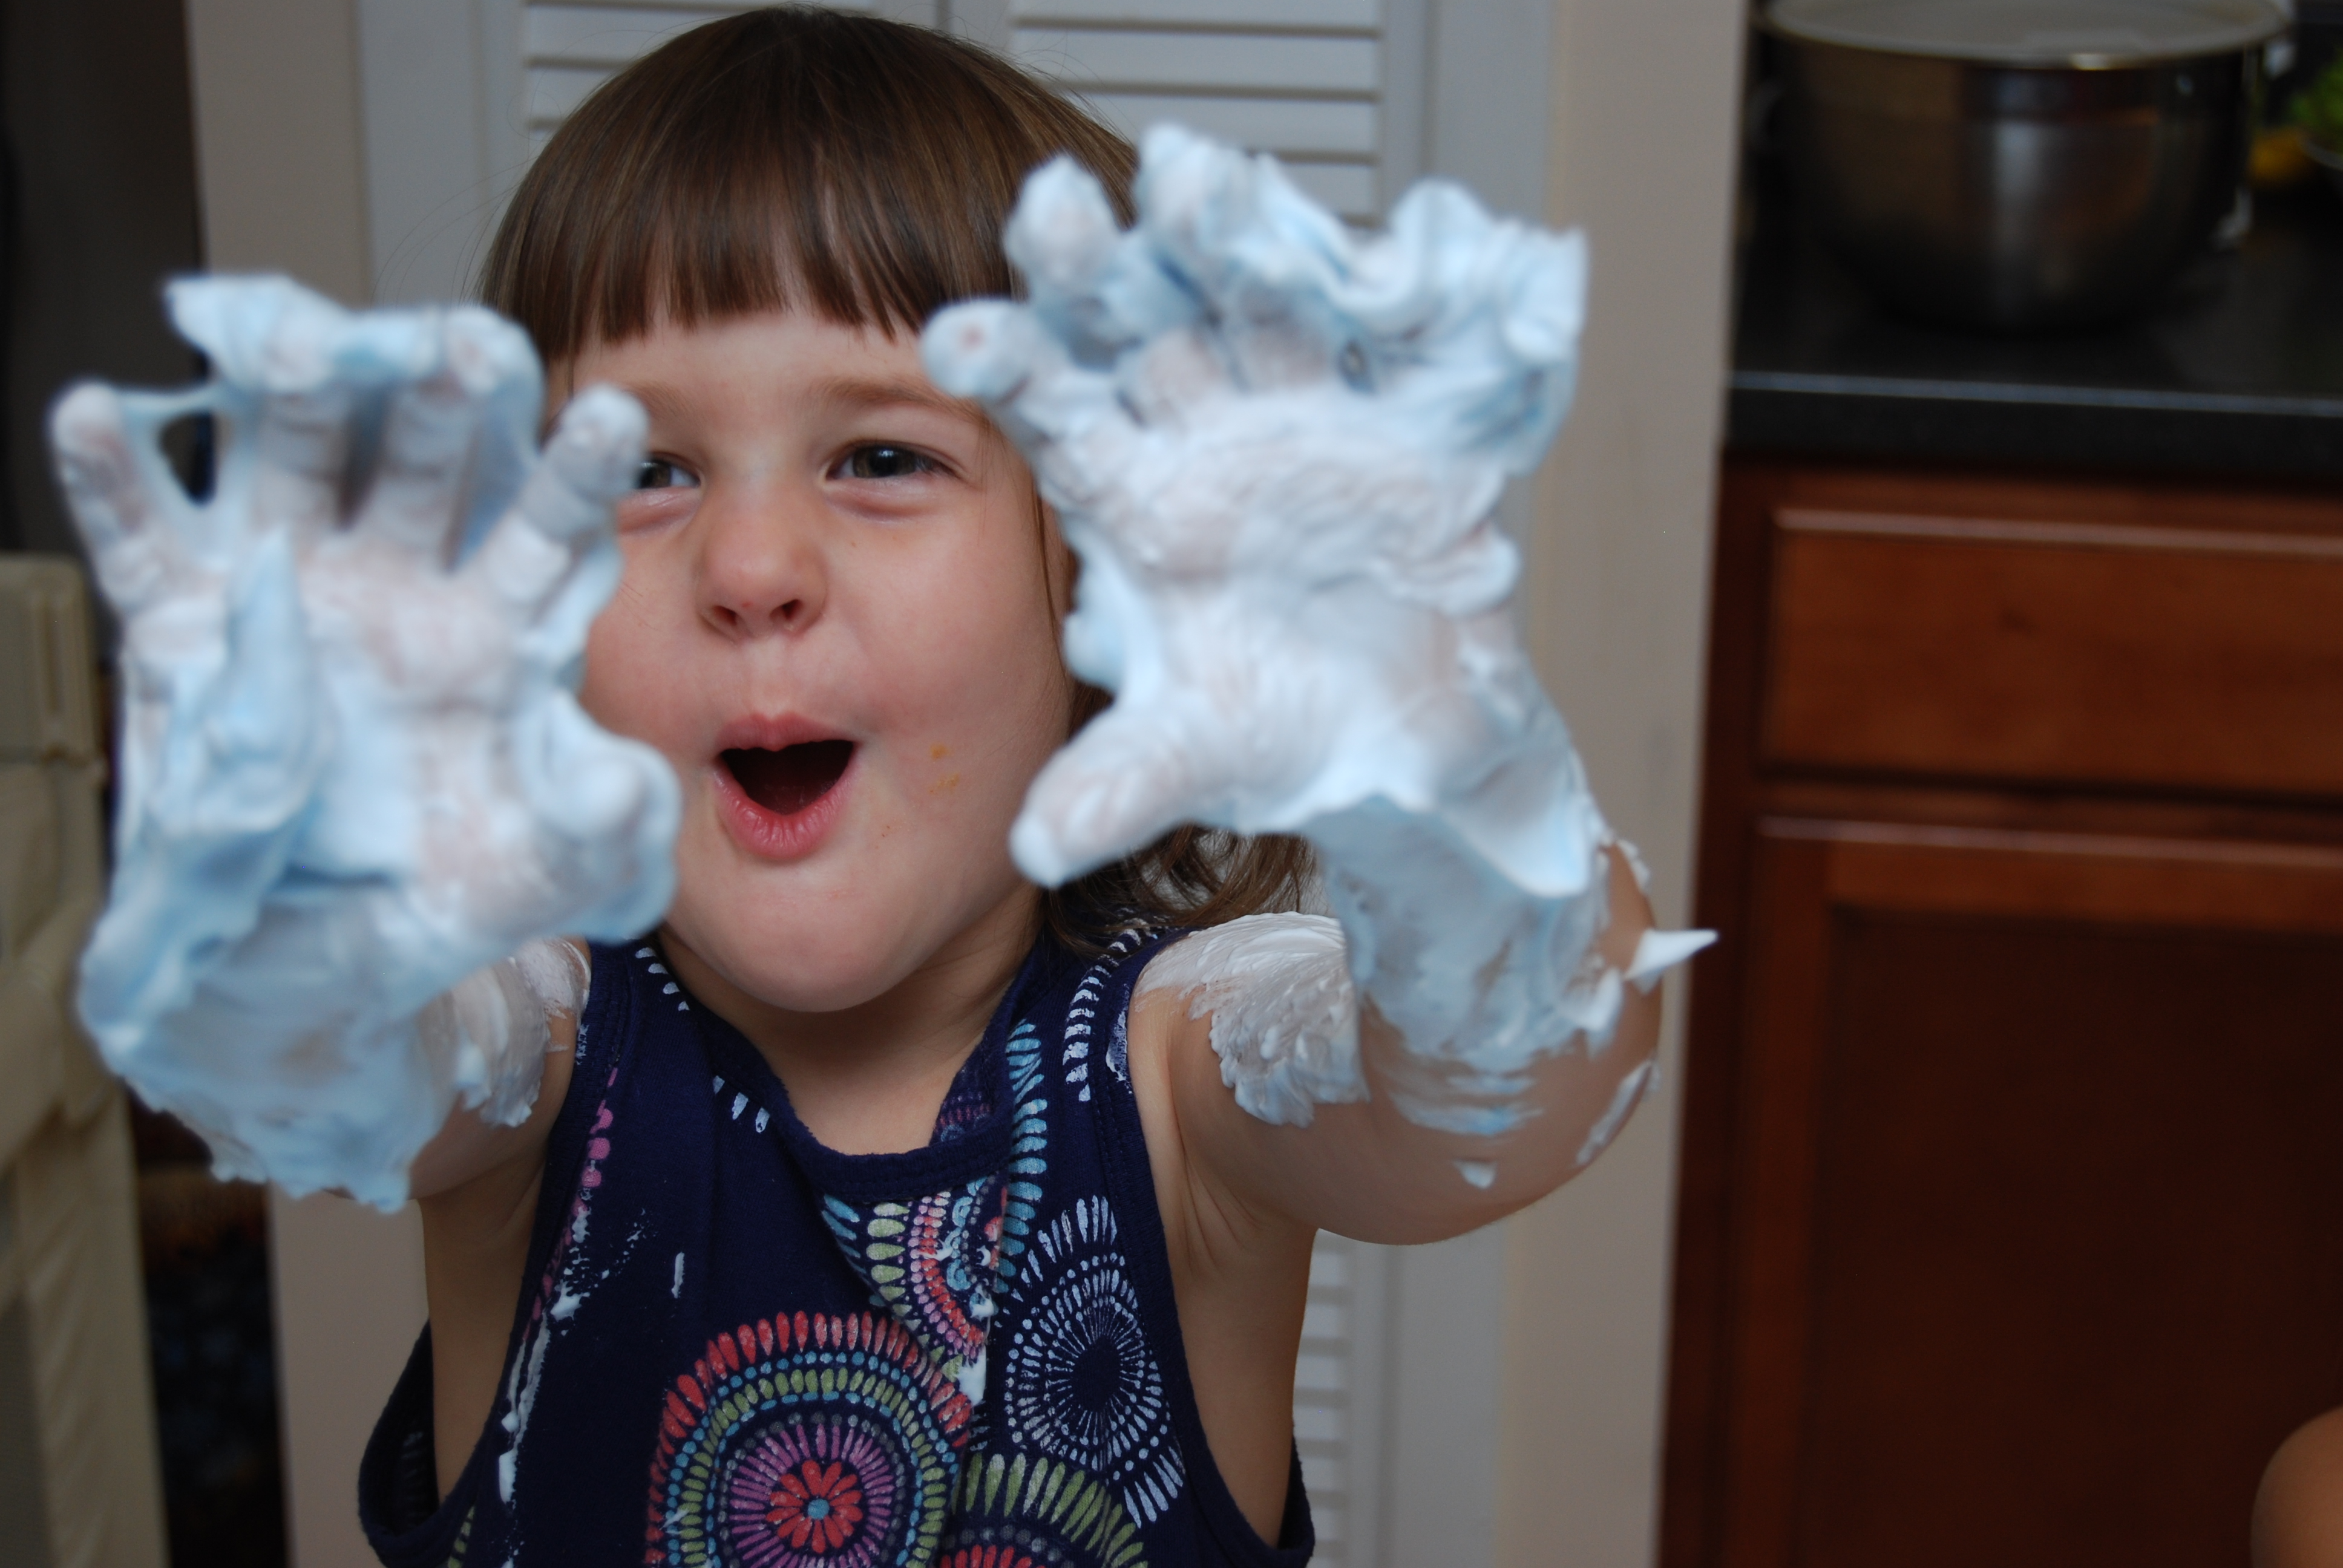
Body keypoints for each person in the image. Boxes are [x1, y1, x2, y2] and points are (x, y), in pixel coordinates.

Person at [48, 9, 1704, 1566]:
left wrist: (1414, 726)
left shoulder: (1184, 1077)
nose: (753, 562)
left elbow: (1520, 1068)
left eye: (884, 458)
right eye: (643, 471)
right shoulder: (530, 1062)